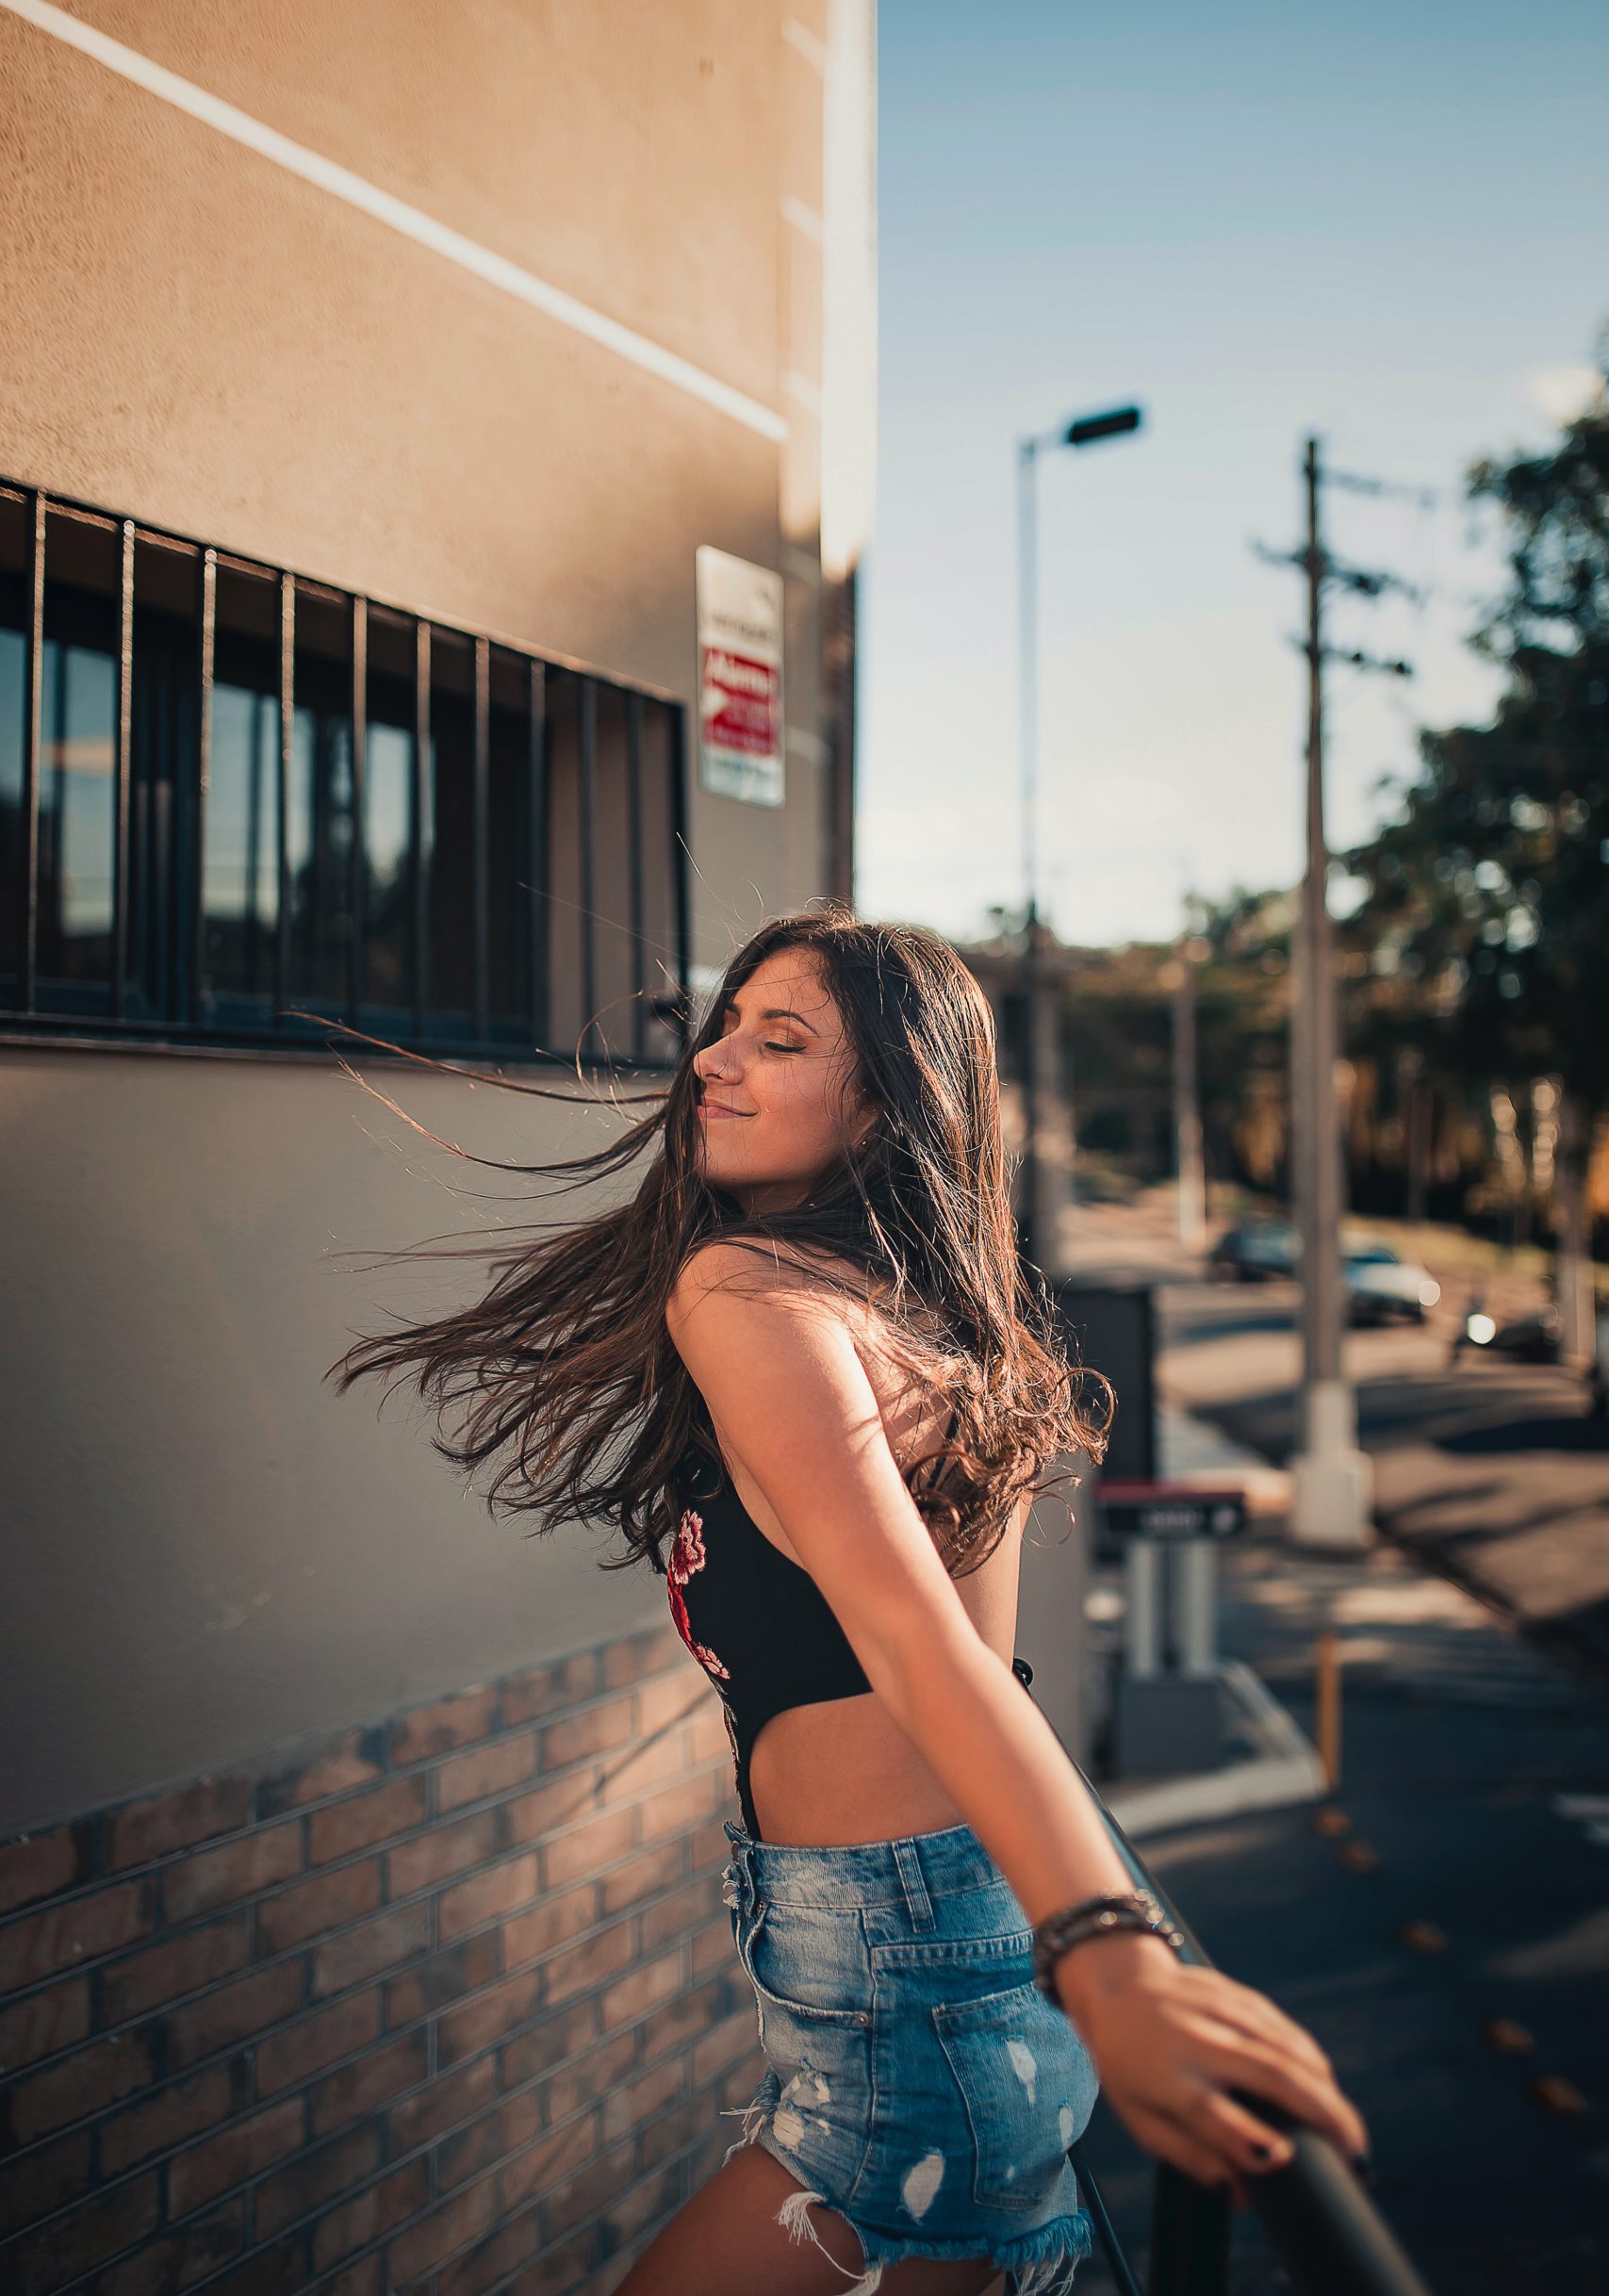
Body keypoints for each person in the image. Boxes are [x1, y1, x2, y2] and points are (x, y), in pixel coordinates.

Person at [333, 910, 1367, 2296]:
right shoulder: (913, 1315)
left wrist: (1112, 1953)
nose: (714, 1060)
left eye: (783, 1038)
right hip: (958, 1969)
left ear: (885, 1105)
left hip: (909, 2005)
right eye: (724, 1026)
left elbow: (922, 1652)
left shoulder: (748, 1293)